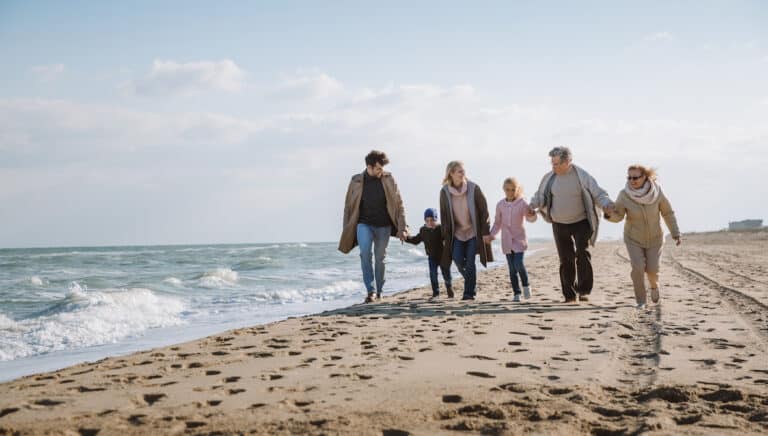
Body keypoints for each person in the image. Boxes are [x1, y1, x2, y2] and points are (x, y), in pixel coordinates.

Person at [528, 146, 614, 303]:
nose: (554, 167)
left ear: (567, 162)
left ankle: (584, 290)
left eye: (557, 164)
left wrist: (607, 204)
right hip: (559, 223)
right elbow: (540, 195)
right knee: (565, 259)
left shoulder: (581, 175)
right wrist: (532, 205)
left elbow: (598, 193)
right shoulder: (549, 178)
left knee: (582, 253)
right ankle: (569, 295)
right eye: (552, 164)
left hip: (581, 221)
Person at [605, 165, 681, 309]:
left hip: (655, 238)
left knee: (652, 270)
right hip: (633, 238)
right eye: (629, 177)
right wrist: (609, 214)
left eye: (635, 177)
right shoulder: (624, 194)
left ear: (645, 177)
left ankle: (654, 286)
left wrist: (675, 233)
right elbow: (619, 216)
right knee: (638, 267)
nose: (632, 180)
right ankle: (641, 301)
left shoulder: (657, 192)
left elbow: (667, 213)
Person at [338, 150, 408, 303]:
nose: (380, 171)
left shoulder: (389, 179)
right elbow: (348, 207)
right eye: (378, 168)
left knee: (380, 258)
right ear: (369, 167)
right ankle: (371, 291)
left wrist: (403, 227)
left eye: (382, 168)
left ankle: (380, 290)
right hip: (363, 224)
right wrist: (347, 228)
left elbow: (399, 204)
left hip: (384, 225)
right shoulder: (356, 181)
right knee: (365, 254)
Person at [439, 161, 493, 301]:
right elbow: (444, 215)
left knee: (470, 261)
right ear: (451, 173)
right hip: (456, 233)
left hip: (473, 232)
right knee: (457, 258)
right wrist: (445, 236)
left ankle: (469, 293)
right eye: (459, 171)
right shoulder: (444, 192)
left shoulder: (474, 188)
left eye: (463, 171)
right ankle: (471, 280)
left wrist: (485, 231)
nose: (463, 174)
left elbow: (484, 211)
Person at [484, 177, 537, 302]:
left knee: (518, 264)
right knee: (512, 269)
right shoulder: (500, 205)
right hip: (506, 241)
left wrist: (532, 214)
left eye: (513, 190)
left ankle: (526, 285)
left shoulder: (522, 203)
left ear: (517, 190)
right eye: (508, 189)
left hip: (519, 239)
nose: (510, 192)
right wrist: (492, 235)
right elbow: (497, 223)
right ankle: (516, 293)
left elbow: (530, 218)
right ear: (504, 189)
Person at [406, 208, 454, 299]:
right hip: (432, 257)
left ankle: (449, 288)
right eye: (427, 220)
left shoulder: (441, 228)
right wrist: (406, 238)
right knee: (433, 274)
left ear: (436, 219)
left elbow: (448, 239)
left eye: (432, 220)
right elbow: (416, 240)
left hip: (443, 256)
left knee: (446, 274)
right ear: (425, 220)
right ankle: (436, 293)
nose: (430, 222)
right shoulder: (423, 230)